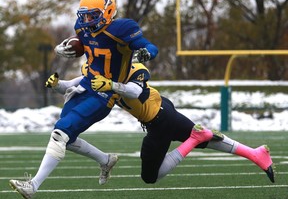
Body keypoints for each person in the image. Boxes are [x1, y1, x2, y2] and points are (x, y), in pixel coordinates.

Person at [9, 0, 158, 199]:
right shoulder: (82, 28)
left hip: (105, 92)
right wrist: (66, 48)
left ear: (108, 12)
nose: (87, 19)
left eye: (92, 15)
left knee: (60, 132)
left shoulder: (122, 28)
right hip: (85, 85)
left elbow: (149, 46)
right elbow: (84, 47)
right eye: (84, 14)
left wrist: (147, 53)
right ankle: (105, 160)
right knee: (66, 139)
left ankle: (33, 185)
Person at [44, 62, 275, 185]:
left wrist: (112, 86)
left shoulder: (132, 71)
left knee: (150, 177)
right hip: (162, 110)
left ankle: (195, 140)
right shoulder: (101, 69)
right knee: (208, 140)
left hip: (160, 119)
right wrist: (57, 84)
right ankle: (254, 153)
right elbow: (76, 83)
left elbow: (134, 92)